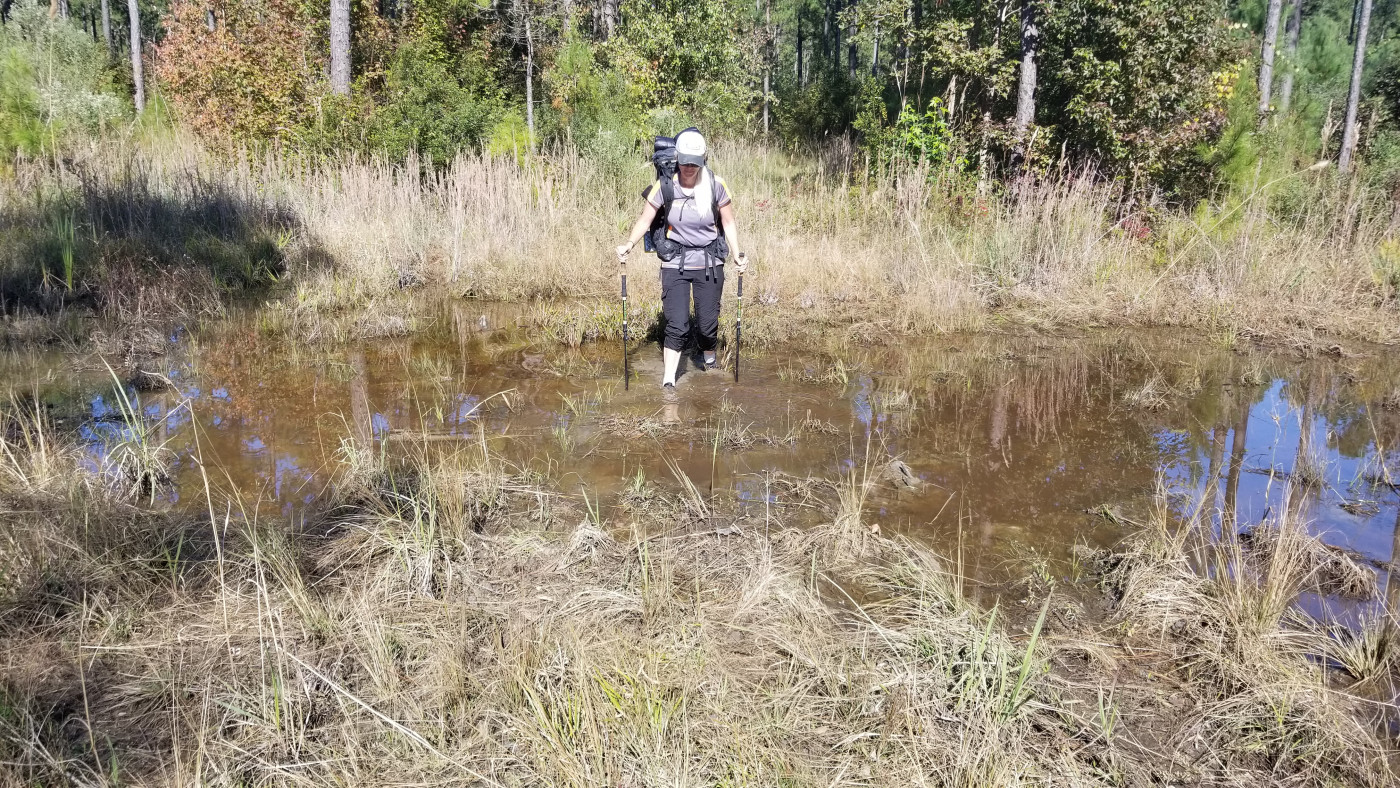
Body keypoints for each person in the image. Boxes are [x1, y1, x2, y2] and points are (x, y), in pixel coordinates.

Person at [615, 128, 747, 391]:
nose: (689, 167)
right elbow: (645, 219)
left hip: (709, 262)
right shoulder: (665, 185)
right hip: (675, 261)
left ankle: (709, 362)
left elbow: (728, 222)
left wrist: (737, 253)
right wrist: (629, 244)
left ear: (702, 160)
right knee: (677, 324)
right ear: (678, 159)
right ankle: (668, 383)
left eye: (694, 163)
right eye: (685, 162)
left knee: (707, 325)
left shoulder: (716, 185)